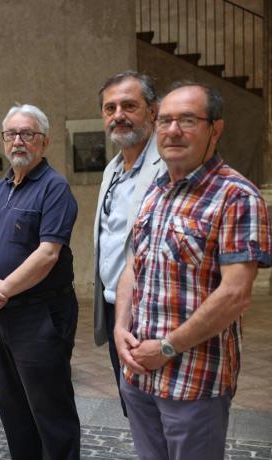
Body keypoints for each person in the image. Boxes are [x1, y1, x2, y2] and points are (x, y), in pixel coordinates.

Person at [114, 81, 272, 459]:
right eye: (165, 120)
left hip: (194, 381)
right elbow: (134, 266)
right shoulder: (155, 190)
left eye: (187, 120)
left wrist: (168, 347)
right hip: (139, 373)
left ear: (214, 129)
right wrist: (121, 327)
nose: (172, 130)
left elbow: (236, 294)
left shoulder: (237, 196)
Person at [0, 104, 80, 459]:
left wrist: (1, 289)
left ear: (43, 142)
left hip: (40, 314)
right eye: (11, 134)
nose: (18, 141)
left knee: (50, 408)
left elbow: (47, 254)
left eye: (27, 134)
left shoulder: (54, 188)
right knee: (12, 406)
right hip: (0, 314)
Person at [92, 71, 166, 416]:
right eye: (110, 108)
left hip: (154, 309)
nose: (118, 115)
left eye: (129, 105)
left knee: (161, 408)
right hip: (114, 307)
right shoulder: (112, 169)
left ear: (152, 111)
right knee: (133, 406)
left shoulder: (167, 164)